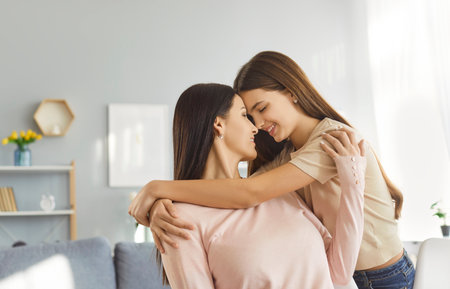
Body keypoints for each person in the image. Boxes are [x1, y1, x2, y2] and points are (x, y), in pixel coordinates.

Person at [129, 51, 415, 289]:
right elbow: (237, 193)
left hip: (385, 276)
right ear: (219, 125)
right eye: (249, 115)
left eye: (262, 108)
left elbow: (249, 192)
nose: (258, 124)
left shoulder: (332, 142)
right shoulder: (286, 163)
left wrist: (158, 189)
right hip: (353, 275)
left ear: (291, 92)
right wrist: (161, 207)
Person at [157, 83, 366, 289]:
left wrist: (352, 181)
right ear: (219, 124)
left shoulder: (277, 192)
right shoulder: (177, 220)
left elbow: (340, 272)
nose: (255, 128)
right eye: (244, 116)